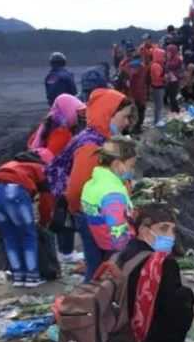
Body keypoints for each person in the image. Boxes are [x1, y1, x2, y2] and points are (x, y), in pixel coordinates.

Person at [97, 203, 194, 342]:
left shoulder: (120, 254)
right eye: (163, 229)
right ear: (143, 229)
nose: (170, 236)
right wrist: (188, 297)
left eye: (172, 230)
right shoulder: (161, 264)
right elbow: (175, 313)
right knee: (179, 307)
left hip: (117, 334)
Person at [46, 88, 133, 282]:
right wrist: (88, 213)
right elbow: (76, 189)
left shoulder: (100, 140)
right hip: (94, 217)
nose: (127, 123)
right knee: (98, 268)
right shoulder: (91, 147)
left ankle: (93, 305)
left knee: (100, 266)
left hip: (95, 215)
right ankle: (90, 306)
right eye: (124, 117)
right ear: (108, 114)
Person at [28, 93, 85, 262]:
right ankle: (65, 252)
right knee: (64, 214)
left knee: (58, 214)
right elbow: (55, 157)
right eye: (78, 112)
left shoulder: (49, 123)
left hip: (47, 177)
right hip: (57, 179)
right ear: (68, 111)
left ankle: (60, 251)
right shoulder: (61, 131)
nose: (81, 116)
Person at [0, 149, 54, 287]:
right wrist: (44, 221)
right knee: (28, 235)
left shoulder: (12, 163)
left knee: (9, 235)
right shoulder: (40, 168)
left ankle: (18, 276)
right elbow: (47, 200)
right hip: (14, 191)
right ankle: (31, 277)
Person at [81, 138, 136, 275]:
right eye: (130, 165)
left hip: (98, 239)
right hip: (113, 249)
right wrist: (127, 254)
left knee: (94, 273)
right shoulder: (113, 193)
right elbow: (117, 232)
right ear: (117, 164)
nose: (132, 170)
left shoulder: (91, 183)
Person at [121, 52, 148, 134]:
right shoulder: (142, 67)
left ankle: (128, 129)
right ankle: (136, 128)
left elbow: (125, 81)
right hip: (138, 93)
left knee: (131, 112)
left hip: (131, 94)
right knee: (140, 110)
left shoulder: (127, 67)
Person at [150, 47, 166, 126]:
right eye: (162, 55)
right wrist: (166, 78)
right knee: (159, 105)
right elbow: (157, 77)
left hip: (156, 86)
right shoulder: (156, 65)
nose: (164, 57)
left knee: (158, 105)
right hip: (158, 87)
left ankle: (157, 120)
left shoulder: (156, 64)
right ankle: (157, 121)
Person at [165, 44, 183, 113]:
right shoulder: (171, 58)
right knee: (171, 96)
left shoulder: (177, 59)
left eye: (169, 51)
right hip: (171, 80)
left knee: (173, 97)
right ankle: (174, 111)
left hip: (175, 80)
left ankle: (176, 111)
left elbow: (175, 68)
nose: (167, 53)